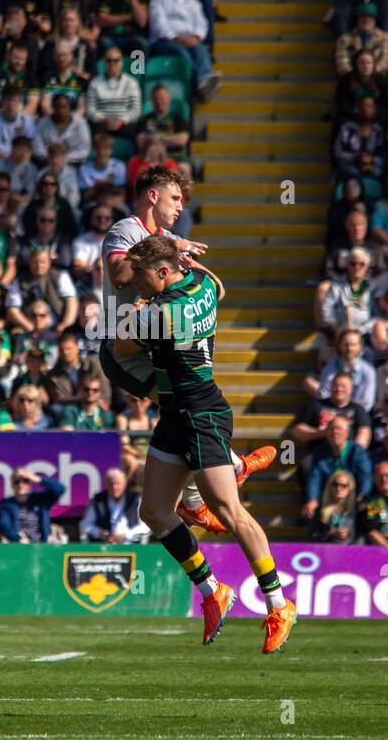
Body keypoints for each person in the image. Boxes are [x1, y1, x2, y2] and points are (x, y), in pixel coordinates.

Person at [114, 234, 296, 654]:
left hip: (199, 414)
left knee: (231, 512)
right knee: (155, 511)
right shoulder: (202, 285)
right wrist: (184, 258)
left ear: (162, 273)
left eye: (139, 276)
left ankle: (278, 603)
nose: (132, 283)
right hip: (178, 414)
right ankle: (213, 590)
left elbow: (122, 346)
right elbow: (218, 284)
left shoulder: (158, 312)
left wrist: (137, 310)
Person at [98, 164, 273, 532]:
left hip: (153, 344)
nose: (180, 207)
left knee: (187, 410)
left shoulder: (165, 238)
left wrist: (192, 271)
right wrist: (170, 248)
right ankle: (228, 470)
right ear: (152, 196)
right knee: (189, 407)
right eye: (174, 198)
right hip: (123, 351)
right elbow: (118, 274)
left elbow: (212, 288)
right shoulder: (126, 230)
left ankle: (195, 501)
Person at [0, 468, 66, 542]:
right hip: (18, 545)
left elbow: (60, 489)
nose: (20, 485)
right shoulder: (6, 503)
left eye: (25, 481)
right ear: (12, 485)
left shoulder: (40, 498)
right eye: (17, 482)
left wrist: (36, 479)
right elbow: (4, 525)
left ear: (30, 483)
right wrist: (17, 539)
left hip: (40, 545)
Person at [80, 468, 149, 543]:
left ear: (124, 484)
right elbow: (85, 525)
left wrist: (126, 535)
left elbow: (146, 526)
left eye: (117, 484)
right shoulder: (97, 500)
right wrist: (100, 533)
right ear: (106, 484)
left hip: (132, 545)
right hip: (105, 548)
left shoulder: (135, 499)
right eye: (111, 484)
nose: (114, 487)